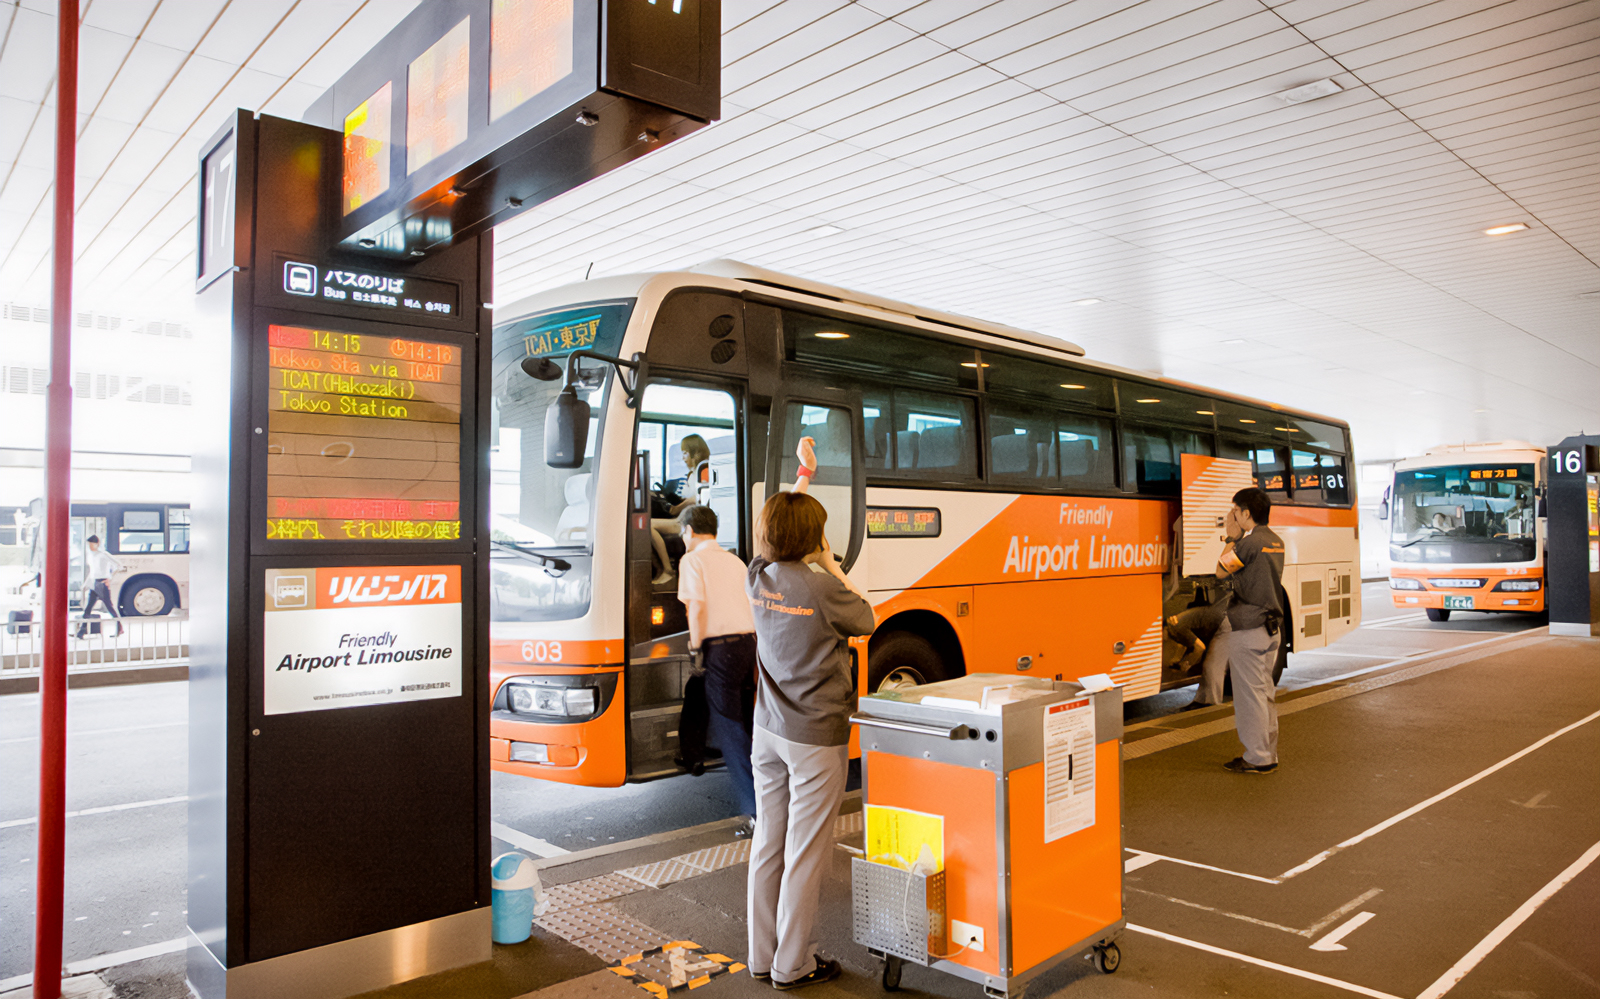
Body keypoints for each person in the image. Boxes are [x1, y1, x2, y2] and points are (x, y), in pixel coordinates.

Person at [745, 444, 874, 990]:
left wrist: (802, 478)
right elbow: (867, 616)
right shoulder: (822, 588)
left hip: (768, 731)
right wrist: (830, 562)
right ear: (814, 539)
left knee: (769, 842)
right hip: (816, 738)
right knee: (804, 852)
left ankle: (761, 955)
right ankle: (792, 964)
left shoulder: (758, 577)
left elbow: (778, 525)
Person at [675, 503, 759, 836]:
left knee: (731, 728)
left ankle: (757, 812)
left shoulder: (692, 560)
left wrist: (695, 649)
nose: (683, 538)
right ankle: (694, 753)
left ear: (690, 531)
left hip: (719, 650)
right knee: (744, 721)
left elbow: (696, 608)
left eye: (682, 532)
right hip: (747, 645)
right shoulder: (735, 560)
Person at [1212, 487, 1285, 773]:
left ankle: (1257, 758)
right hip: (1271, 628)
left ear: (1246, 513)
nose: (1232, 516)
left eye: (1235, 511)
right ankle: (1268, 753)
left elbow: (1221, 570)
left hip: (1249, 627)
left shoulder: (1249, 543)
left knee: (1249, 697)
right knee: (1265, 693)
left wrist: (1232, 537)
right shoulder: (1276, 541)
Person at [650, 434, 712, 586]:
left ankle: (667, 570)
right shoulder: (692, 473)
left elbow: (700, 496)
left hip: (690, 520)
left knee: (648, 526)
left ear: (695, 453)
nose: (683, 458)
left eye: (685, 453)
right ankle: (661, 570)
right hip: (684, 517)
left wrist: (677, 507)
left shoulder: (704, 470)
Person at [78, 535, 123, 638]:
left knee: (109, 607)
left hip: (102, 583)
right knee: (88, 608)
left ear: (97, 544)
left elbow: (119, 565)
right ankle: (81, 631)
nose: (90, 546)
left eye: (92, 544)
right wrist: (85, 585)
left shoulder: (103, 554)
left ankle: (119, 627)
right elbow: (92, 572)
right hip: (94, 583)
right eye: (89, 544)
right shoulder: (91, 556)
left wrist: (110, 578)